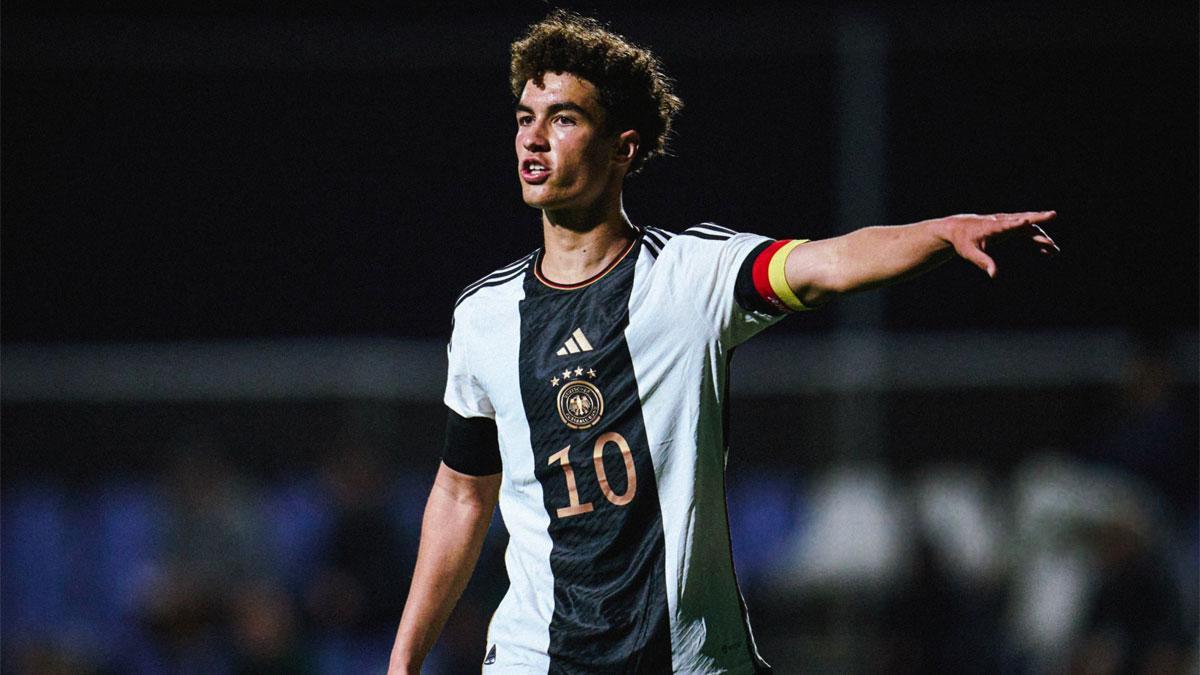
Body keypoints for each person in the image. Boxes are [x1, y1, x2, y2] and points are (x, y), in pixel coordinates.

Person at [388, 10, 1058, 674]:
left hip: (687, 662)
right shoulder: (485, 314)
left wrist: (945, 232)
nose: (533, 139)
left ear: (623, 147)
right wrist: (403, 660)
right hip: (537, 659)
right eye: (524, 118)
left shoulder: (690, 278)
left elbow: (830, 262)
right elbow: (462, 494)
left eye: (563, 119)